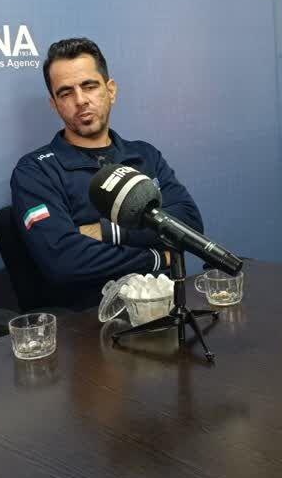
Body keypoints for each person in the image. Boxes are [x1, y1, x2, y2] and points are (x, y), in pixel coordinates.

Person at [11, 38, 203, 309]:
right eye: (66, 93)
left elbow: (190, 224)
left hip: (166, 307)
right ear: (54, 104)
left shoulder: (145, 155)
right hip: (87, 321)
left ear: (110, 90)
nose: (80, 100)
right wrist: (157, 257)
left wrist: (106, 231)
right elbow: (64, 261)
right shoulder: (35, 171)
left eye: (89, 86)